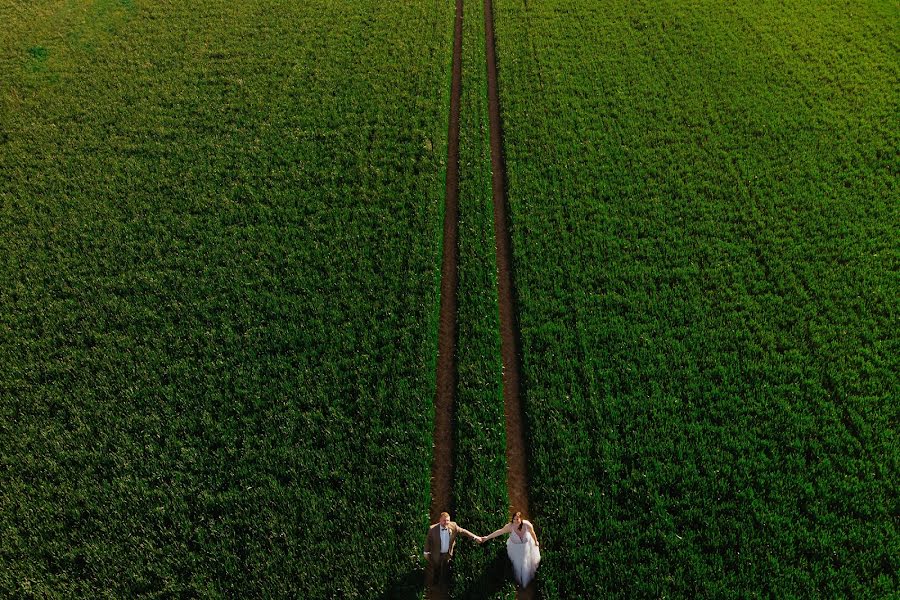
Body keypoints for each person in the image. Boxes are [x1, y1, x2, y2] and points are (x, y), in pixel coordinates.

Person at [479, 511, 541, 588]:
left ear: (521, 519)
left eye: (517, 519)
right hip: (515, 548)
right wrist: (487, 537)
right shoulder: (510, 527)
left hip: (526, 547)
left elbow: (532, 533)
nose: (515, 521)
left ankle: (527, 579)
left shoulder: (527, 525)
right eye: (514, 519)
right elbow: (500, 532)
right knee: (518, 564)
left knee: (527, 563)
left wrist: (535, 541)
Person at [424, 511, 482, 585]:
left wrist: (475, 537)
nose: (446, 522)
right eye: (444, 520)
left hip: (447, 552)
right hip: (437, 552)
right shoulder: (432, 529)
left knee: (446, 565)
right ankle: (436, 578)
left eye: (448, 520)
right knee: (436, 566)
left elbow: (463, 531)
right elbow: (428, 540)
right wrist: (426, 552)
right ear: (440, 520)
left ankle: (445, 580)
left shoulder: (453, 526)